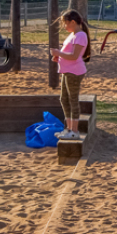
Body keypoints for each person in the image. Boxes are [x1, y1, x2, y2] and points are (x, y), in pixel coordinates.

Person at [50, 9, 91, 140]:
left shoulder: (80, 35)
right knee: (64, 99)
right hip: (67, 71)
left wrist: (58, 53)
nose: (64, 26)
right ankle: (68, 129)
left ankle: (74, 130)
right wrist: (59, 57)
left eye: (66, 23)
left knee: (73, 100)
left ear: (73, 22)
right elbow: (68, 53)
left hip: (74, 72)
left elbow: (74, 56)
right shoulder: (73, 34)